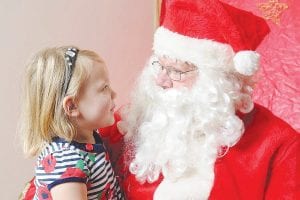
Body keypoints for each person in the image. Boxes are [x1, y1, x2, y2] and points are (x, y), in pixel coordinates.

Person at [112, 0, 300, 199]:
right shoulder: (136, 121)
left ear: (219, 81)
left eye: (177, 71)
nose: (161, 80)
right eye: (159, 65)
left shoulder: (279, 146)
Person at [19, 46, 125, 200]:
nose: (114, 94)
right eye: (104, 88)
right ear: (72, 106)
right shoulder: (66, 161)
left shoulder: (90, 136)